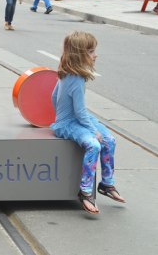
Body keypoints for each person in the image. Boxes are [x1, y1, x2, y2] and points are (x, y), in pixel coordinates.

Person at [51, 31, 125, 214]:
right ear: (80, 55)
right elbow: (79, 111)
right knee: (95, 145)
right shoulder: (75, 79)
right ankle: (85, 191)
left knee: (110, 140)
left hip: (77, 120)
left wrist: (60, 112)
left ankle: (107, 184)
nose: (96, 54)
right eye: (91, 51)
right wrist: (92, 130)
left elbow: (54, 96)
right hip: (68, 123)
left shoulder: (67, 72)